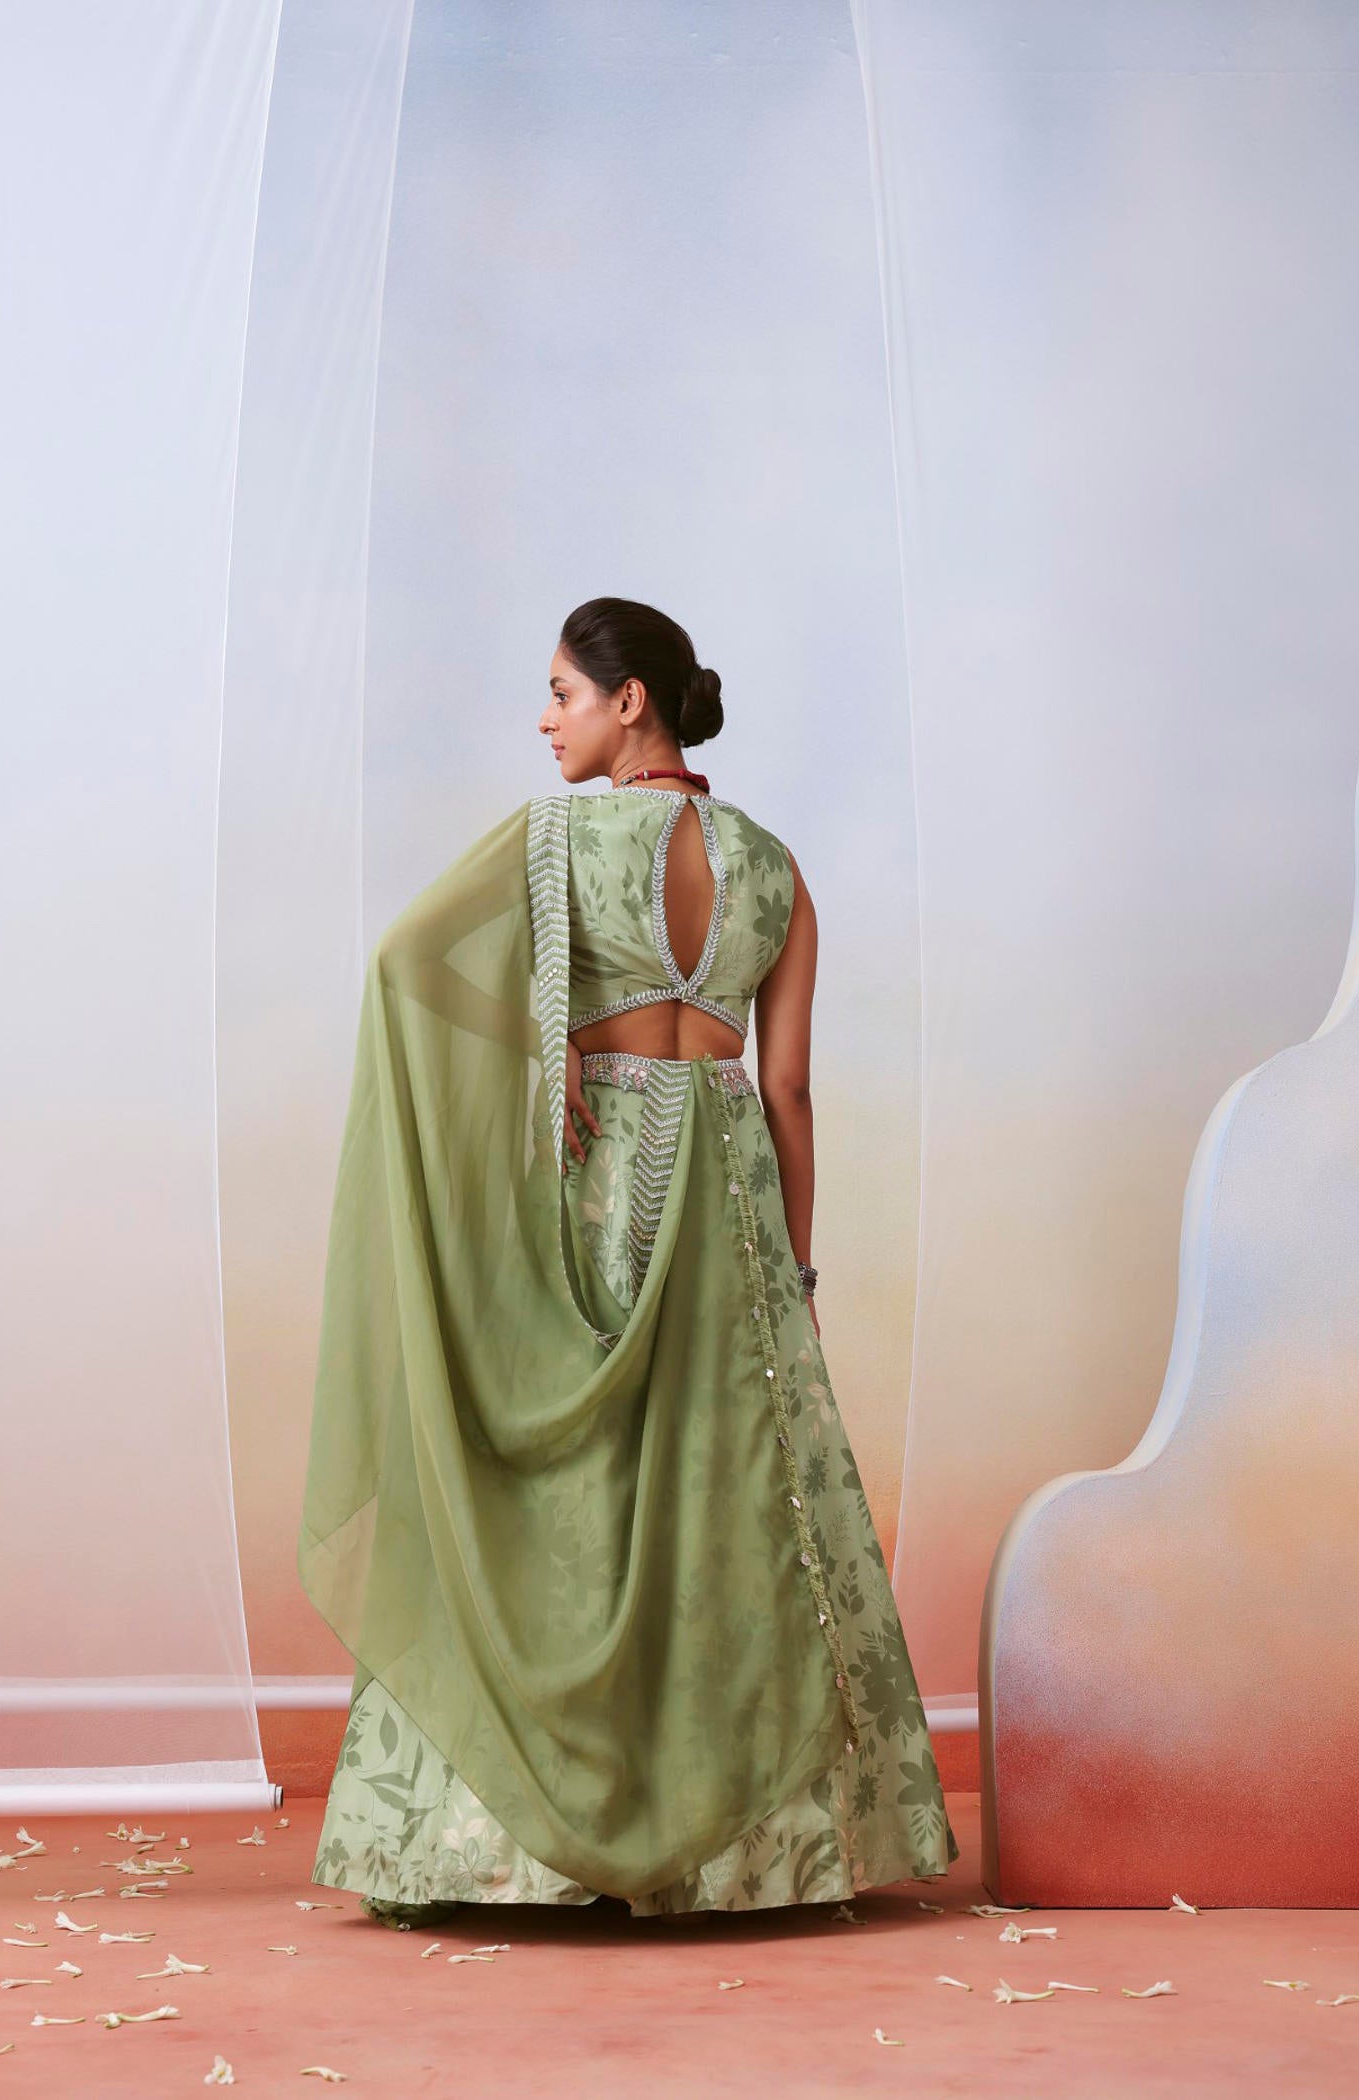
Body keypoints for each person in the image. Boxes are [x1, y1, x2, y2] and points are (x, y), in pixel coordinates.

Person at [298, 596, 958, 1924]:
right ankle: (748, 1856)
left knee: (577, 1493)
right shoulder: (772, 865)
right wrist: (797, 1273)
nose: (546, 722)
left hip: (600, 1185)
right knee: (728, 1500)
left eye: (561, 693)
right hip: (733, 1194)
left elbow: (405, 965)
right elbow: (789, 1091)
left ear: (630, 700)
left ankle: (521, 1841)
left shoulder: (557, 842)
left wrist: (550, 1051)